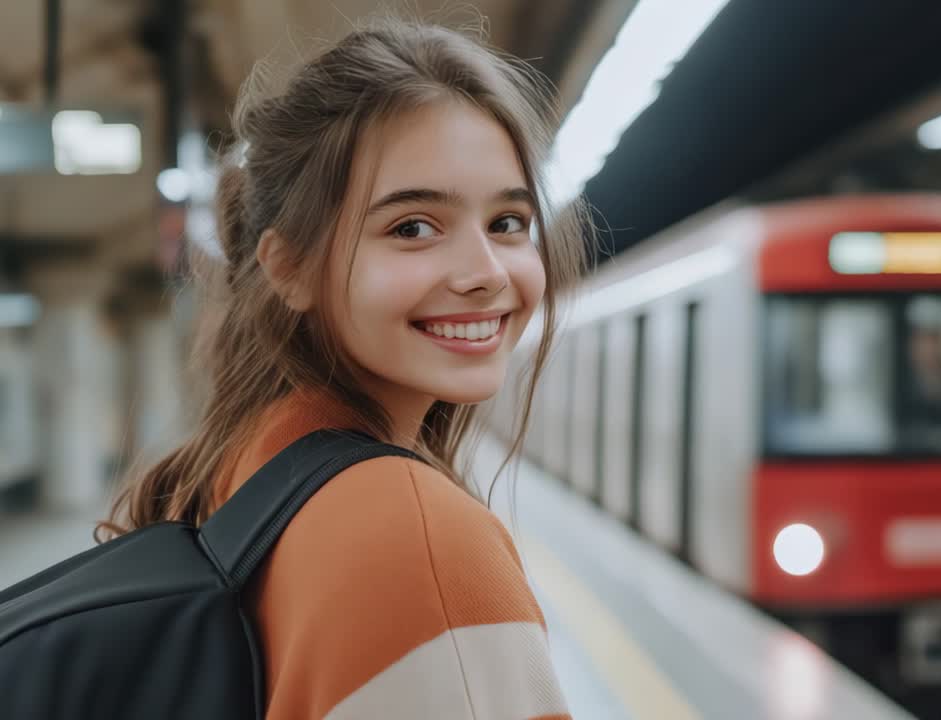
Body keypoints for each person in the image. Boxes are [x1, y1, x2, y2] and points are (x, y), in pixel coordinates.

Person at [97, 19, 587, 719]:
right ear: (288, 269)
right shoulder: (422, 540)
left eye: (507, 223)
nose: (485, 273)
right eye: (412, 227)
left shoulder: (242, 471)